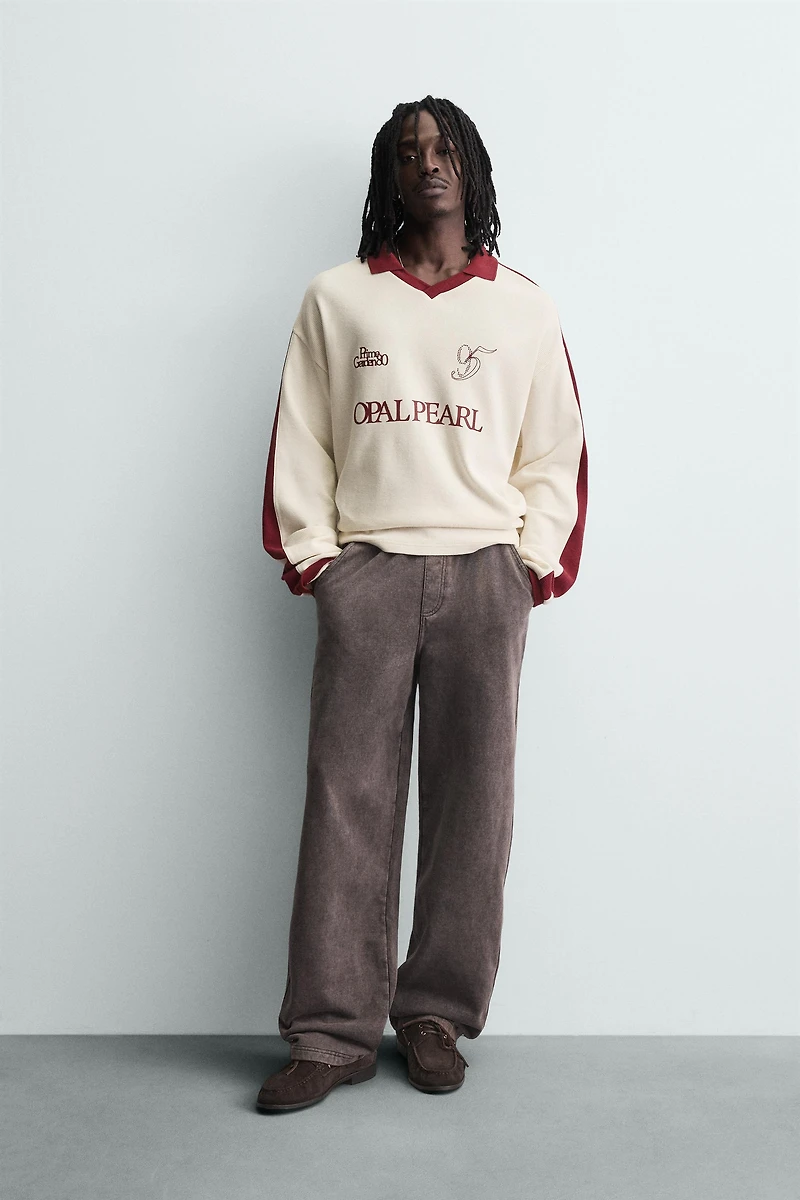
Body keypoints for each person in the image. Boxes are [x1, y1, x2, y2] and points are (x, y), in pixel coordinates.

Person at [257, 95, 587, 1113]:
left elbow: (556, 450)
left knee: (473, 803)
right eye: (408, 154)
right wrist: (320, 563)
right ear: (388, 177)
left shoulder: (522, 307)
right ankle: (331, 1034)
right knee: (345, 799)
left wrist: (528, 564)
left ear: (470, 168)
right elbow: (301, 438)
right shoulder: (337, 298)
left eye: (444, 150)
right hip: (369, 569)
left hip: (484, 574)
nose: (428, 165)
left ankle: (435, 1014)